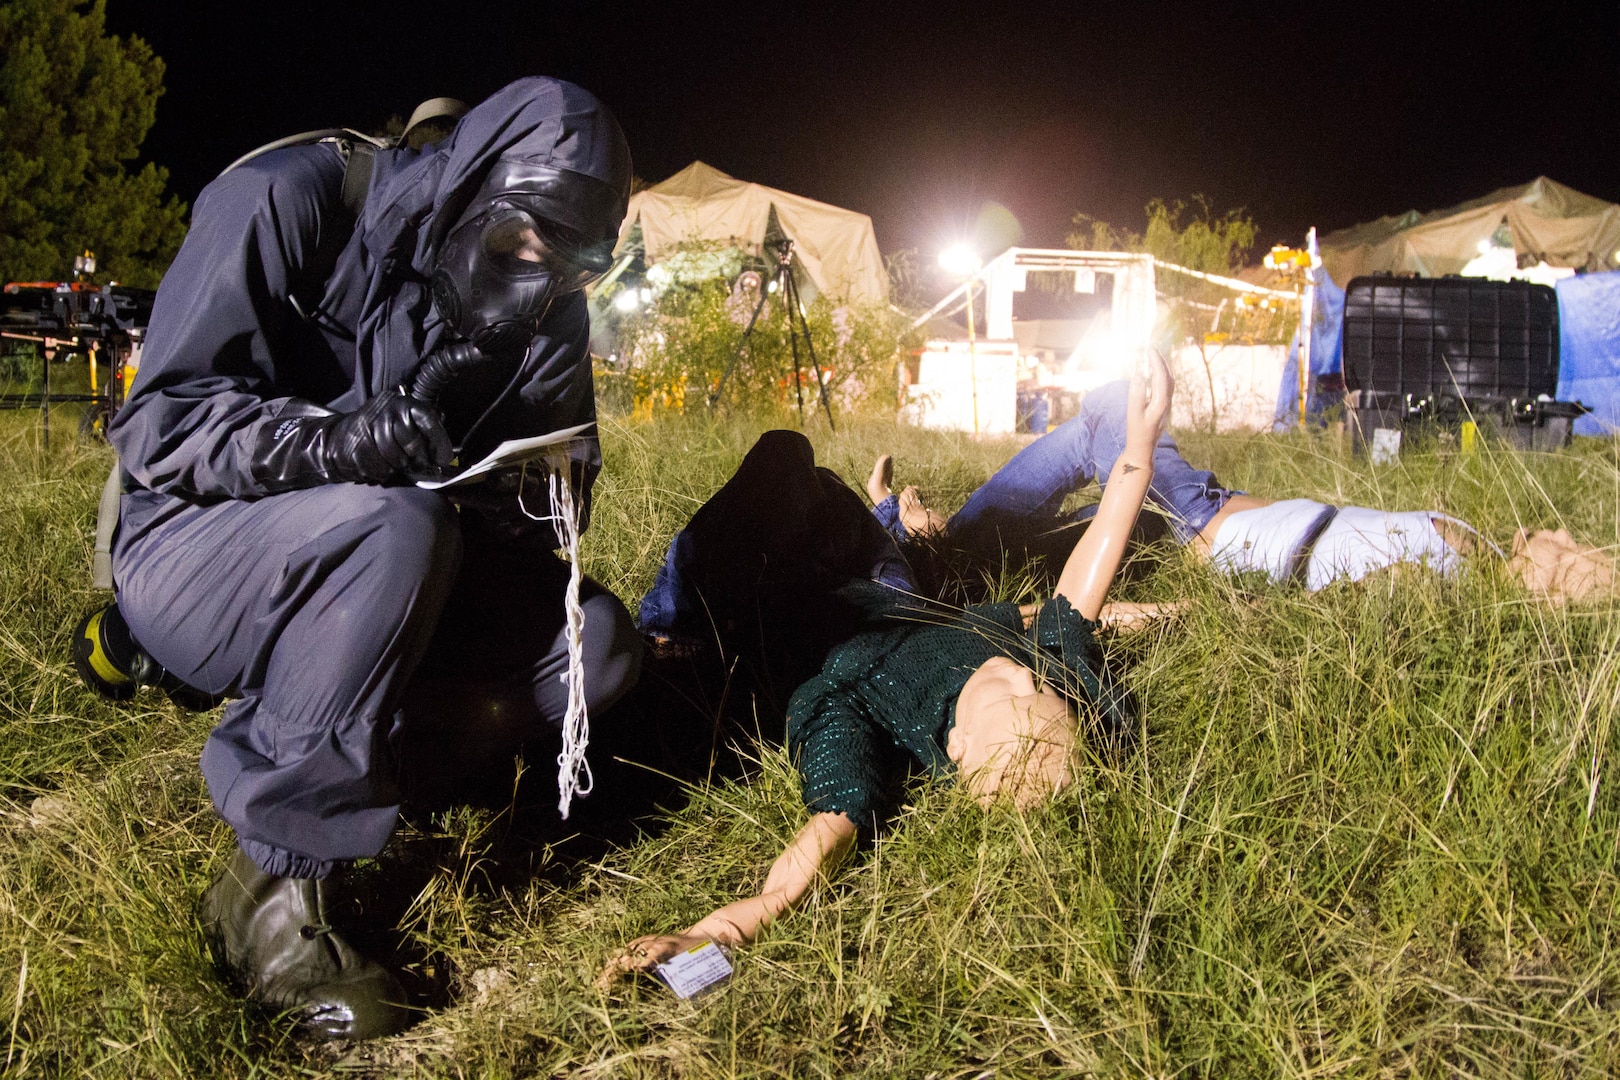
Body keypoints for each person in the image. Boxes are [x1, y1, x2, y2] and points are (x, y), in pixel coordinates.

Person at [106, 78, 643, 1039]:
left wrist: (521, 509)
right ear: (470, 181)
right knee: (392, 528)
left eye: (572, 263)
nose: (540, 276)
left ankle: (357, 749)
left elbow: (559, 498)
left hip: (389, 562)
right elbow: (159, 424)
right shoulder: (286, 199)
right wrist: (333, 444)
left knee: (596, 646)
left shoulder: (547, 307)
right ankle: (268, 890)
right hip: (186, 545)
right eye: (523, 238)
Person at [601, 351, 1176, 984]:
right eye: (1038, 683)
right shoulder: (1038, 665)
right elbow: (1077, 594)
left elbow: (828, 835)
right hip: (882, 586)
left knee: (782, 460)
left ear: (957, 747)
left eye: (1006, 697)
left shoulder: (861, 712)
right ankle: (886, 516)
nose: (1016, 672)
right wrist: (1139, 454)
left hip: (760, 609)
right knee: (811, 484)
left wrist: (703, 938)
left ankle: (686, 616)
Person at [866, 380, 1614, 605]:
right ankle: (927, 542)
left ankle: (934, 533)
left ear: (1553, 581)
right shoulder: (1472, 550)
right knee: (1070, 533)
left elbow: (1362, 599)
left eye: (1576, 553)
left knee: (1113, 410)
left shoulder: (1453, 581)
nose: (1568, 535)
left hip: (1204, 525)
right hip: (1217, 509)